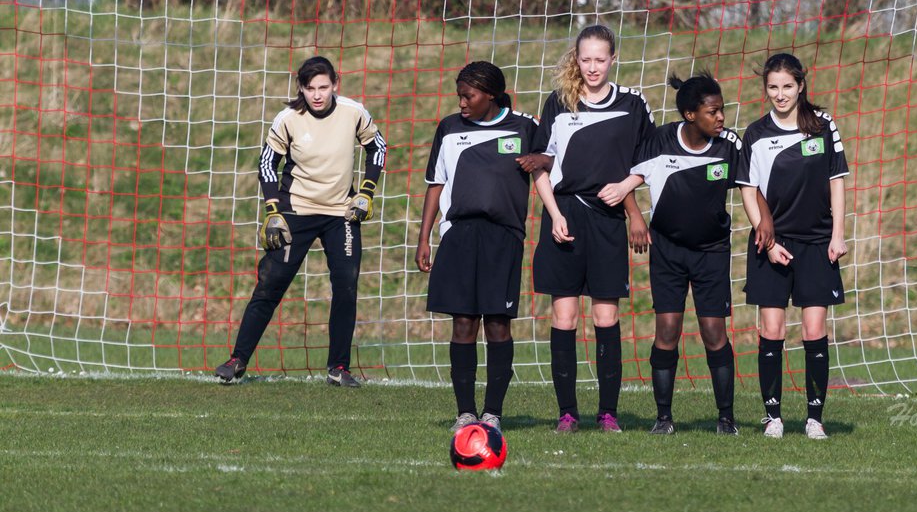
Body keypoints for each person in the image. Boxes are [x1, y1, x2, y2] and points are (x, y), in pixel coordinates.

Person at [215, 55, 387, 387]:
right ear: (301, 88)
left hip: (342, 214)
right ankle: (237, 360)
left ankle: (338, 368)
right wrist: (273, 212)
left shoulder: (354, 112)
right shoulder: (288, 119)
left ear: (336, 84)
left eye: (324, 87)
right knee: (270, 285)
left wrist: (366, 192)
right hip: (295, 212)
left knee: (346, 287)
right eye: (310, 88)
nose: (318, 94)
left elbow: (377, 148)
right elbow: (268, 164)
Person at [516, 24, 654, 433]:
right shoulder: (559, 102)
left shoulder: (632, 103)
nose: (592, 67)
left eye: (600, 59)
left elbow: (650, 158)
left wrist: (627, 186)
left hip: (607, 221)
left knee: (606, 317)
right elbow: (541, 166)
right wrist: (555, 214)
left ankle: (608, 413)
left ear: (613, 59)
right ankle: (567, 413)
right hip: (566, 217)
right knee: (564, 316)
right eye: (585, 59)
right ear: (577, 59)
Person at [624, 72, 767, 436]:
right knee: (667, 330)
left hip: (712, 253)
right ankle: (663, 419)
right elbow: (627, 182)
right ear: (690, 115)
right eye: (713, 112)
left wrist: (765, 221)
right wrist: (637, 217)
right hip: (668, 251)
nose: (721, 118)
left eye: (722, 111)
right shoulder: (661, 140)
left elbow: (751, 188)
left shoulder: (729, 145)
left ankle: (726, 419)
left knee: (713, 332)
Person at [416, 61, 538, 435]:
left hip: (503, 239)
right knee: (463, 323)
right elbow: (436, 184)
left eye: (468, 96)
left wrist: (543, 158)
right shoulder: (450, 129)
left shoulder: (524, 126)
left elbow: (552, 162)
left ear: (490, 94)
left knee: (498, 325)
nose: (462, 103)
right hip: (459, 236)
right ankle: (466, 412)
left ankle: (493, 413)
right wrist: (423, 237)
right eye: (460, 96)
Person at [738, 52, 848, 439]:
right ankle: (773, 417)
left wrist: (838, 233)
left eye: (787, 86)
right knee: (772, 328)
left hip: (817, 243)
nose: (780, 95)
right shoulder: (754, 134)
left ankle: (815, 418)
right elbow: (749, 193)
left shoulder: (823, 126)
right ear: (765, 89)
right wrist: (766, 242)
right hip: (772, 245)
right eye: (773, 87)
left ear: (801, 85)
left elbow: (837, 180)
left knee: (815, 330)